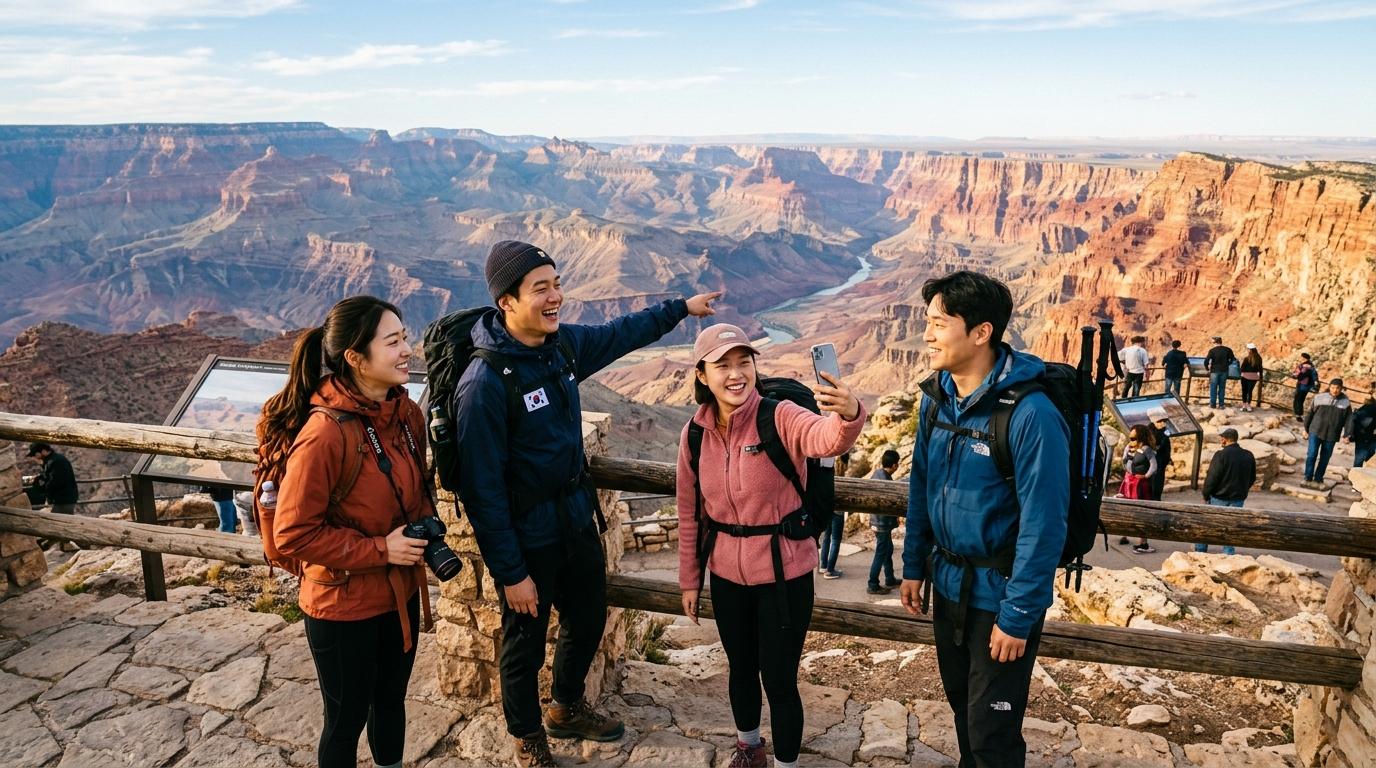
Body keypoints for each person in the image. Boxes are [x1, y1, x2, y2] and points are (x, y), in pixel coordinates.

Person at [452, 240, 721, 767]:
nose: (556, 297)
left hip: (575, 521)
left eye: (557, 284)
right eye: (541, 289)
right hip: (528, 539)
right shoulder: (484, 384)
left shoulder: (562, 346)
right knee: (523, 645)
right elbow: (481, 492)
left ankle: (567, 706)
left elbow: (620, 334)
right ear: (507, 302)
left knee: (588, 616)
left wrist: (680, 310)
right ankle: (527, 738)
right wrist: (510, 572)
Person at [255, 295, 438, 768]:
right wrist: (383, 549)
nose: (406, 350)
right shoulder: (325, 434)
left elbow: (411, 491)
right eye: (393, 341)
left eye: (405, 338)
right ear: (356, 359)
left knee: (391, 703)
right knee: (346, 719)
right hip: (341, 607)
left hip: (397, 594)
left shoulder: (404, 415)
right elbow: (295, 533)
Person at [898, 270, 1070, 768]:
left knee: (992, 733)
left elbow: (1045, 526)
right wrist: (914, 565)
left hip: (999, 598)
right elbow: (921, 488)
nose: (926, 335)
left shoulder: (1030, 415)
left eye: (938, 323)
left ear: (981, 332)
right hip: (948, 588)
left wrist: (1017, 615)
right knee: (963, 714)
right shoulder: (939, 400)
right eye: (926, 322)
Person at [677, 322, 865, 768]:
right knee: (740, 670)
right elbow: (691, 513)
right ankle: (748, 748)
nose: (736, 373)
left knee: (779, 680)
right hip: (725, 575)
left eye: (745, 362)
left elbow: (826, 439)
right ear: (702, 375)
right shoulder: (695, 434)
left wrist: (848, 413)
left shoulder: (779, 415)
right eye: (723, 365)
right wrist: (690, 580)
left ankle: (785, 764)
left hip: (785, 576)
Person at [1197, 428, 1255, 555]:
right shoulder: (1248, 455)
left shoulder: (1220, 455)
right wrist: (1243, 490)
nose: (1221, 440)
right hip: (1238, 498)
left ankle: (1200, 550)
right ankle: (1228, 552)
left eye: (1221, 438)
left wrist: (1206, 494)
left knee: (1208, 523)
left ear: (1225, 439)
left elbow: (1212, 477)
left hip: (1219, 497)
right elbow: (1252, 478)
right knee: (1231, 526)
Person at [26, 442, 79, 551]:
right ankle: (63, 545)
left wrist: (40, 489)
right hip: (64, 497)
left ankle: (48, 544)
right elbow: (51, 477)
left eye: (35, 454)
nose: (34, 457)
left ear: (43, 451)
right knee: (63, 522)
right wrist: (39, 478)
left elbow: (55, 481)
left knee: (61, 524)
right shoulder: (53, 460)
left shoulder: (56, 461)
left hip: (64, 498)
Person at [1304, 378, 1352, 487]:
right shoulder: (1319, 398)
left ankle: (1318, 479)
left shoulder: (1345, 402)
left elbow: (1349, 420)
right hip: (1315, 430)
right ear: (1329, 387)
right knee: (1311, 455)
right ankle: (1307, 477)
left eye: (1338, 388)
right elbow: (1310, 413)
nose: (1335, 390)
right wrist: (1305, 429)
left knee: (1325, 458)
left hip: (1332, 434)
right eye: (1333, 387)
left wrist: (1347, 434)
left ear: (1341, 389)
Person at [866, 450, 902, 596]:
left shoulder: (877, 474)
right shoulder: (886, 480)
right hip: (882, 523)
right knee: (881, 552)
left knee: (888, 549)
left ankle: (890, 578)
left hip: (877, 521)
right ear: (894, 465)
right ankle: (872, 584)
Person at [1120, 424, 1158, 554]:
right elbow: (1124, 461)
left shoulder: (1147, 449)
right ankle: (1124, 534)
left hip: (1141, 484)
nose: (1132, 441)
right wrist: (1128, 472)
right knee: (1127, 509)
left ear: (1141, 437)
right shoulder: (1129, 447)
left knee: (1141, 511)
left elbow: (1154, 465)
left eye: (1134, 438)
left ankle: (1143, 543)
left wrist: (1145, 476)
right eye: (1130, 438)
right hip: (1129, 482)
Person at [817, 452, 849, 579]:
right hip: (838, 511)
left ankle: (823, 565)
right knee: (836, 540)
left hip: (827, 508)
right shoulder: (845, 477)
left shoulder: (829, 472)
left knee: (826, 537)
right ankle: (830, 570)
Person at [1146, 407, 1173, 503]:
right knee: (1153, 488)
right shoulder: (1150, 433)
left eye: (1164, 421)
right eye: (1159, 421)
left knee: (1158, 487)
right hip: (1154, 465)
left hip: (1161, 464)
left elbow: (1167, 447)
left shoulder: (1164, 431)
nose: (1163, 424)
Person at [1347, 384, 1376, 469]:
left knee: (1363, 459)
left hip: (1366, 436)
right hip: (1367, 436)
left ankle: (1357, 478)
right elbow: (1354, 419)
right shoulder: (1366, 408)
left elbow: (1354, 419)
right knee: (1365, 459)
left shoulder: (1364, 407)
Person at [1204, 336, 1236, 409]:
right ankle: (1221, 405)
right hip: (1224, 371)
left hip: (1214, 371)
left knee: (1213, 388)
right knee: (1222, 388)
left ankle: (1213, 404)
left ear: (1214, 342)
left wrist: (1207, 368)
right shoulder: (1228, 349)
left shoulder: (1212, 350)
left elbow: (1206, 361)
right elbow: (1233, 359)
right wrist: (1227, 364)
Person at [1292, 353, 1318, 418]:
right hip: (1304, 385)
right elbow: (1314, 375)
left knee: (1298, 399)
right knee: (1300, 399)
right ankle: (1298, 414)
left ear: (1305, 359)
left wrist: (1294, 375)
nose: (1300, 359)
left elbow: (1296, 374)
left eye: (1302, 358)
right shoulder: (1309, 366)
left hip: (1303, 385)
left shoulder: (1305, 366)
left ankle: (1298, 414)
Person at [1239, 344, 1263, 412]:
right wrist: (1260, 377)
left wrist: (1240, 373)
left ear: (1249, 350)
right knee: (1250, 391)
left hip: (1245, 377)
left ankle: (1244, 405)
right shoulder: (1259, 358)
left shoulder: (1246, 358)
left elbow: (1242, 368)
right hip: (1254, 377)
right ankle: (1248, 405)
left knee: (1244, 391)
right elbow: (1260, 369)